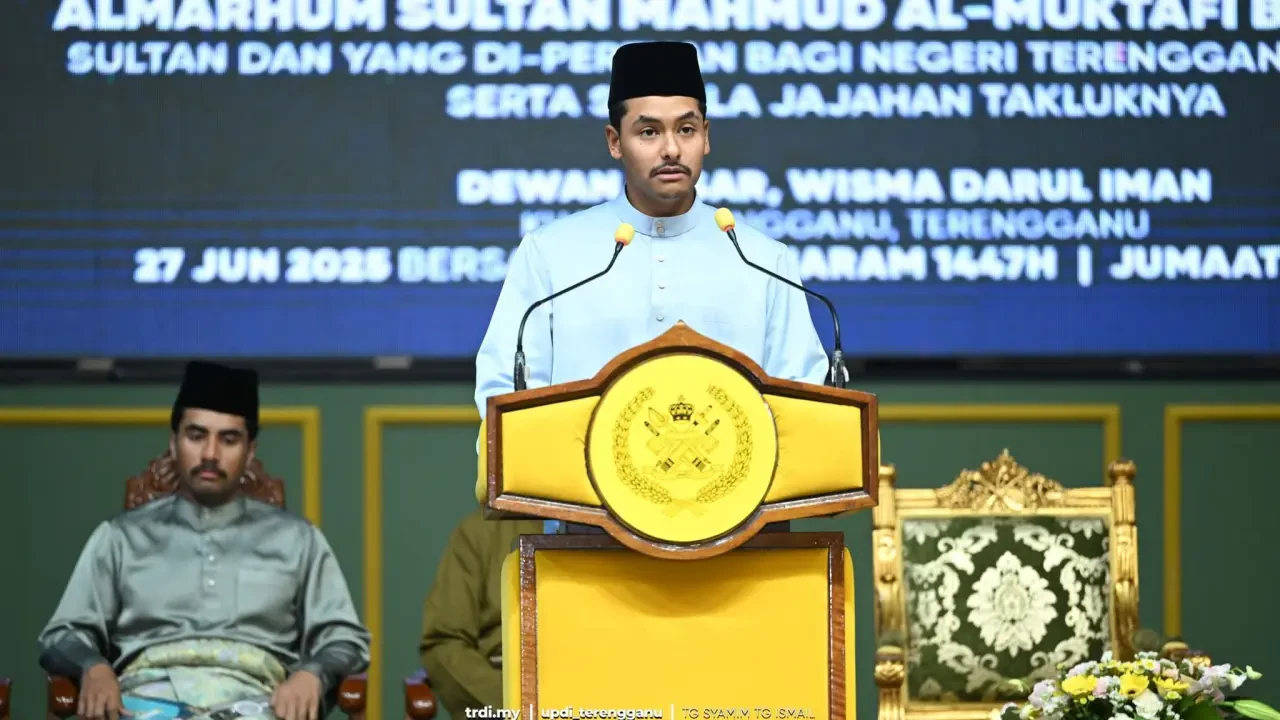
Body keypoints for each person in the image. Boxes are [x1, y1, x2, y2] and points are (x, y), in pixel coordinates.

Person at [473, 40, 829, 421]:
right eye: (649, 133)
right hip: (579, 478)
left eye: (687, 129)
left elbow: (802, 399)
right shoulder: (550, 253)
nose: (672, 149)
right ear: (615, 142)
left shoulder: (763, 259)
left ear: (706, 137)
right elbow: (507, 394)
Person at [38, 361, 371, 720]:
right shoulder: (121, 537)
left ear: (250, 451)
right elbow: (62, 634)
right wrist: (93, 666)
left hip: (258, 702)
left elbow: (345, 639)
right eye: (196, 436)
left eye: (228, 439)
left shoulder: (297, 540)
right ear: (174, 441)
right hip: (143, 701)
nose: (210, 454)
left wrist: (313, 674)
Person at [418, 509, 542, 715]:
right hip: (502, 691)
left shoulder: (611, 530)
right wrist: (516, 705)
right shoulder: (480, 533)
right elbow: (443, 643)